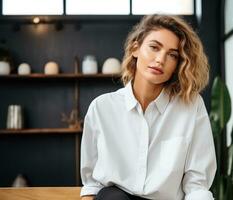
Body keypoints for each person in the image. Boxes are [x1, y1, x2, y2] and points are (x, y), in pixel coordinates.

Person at [80, 14, 216, 200]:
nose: (160, 59)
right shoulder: (101, 108)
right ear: (136, 48)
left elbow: (197, 185)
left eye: (172, 55)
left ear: (178, 64)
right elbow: (92, 186)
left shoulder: (191, 106)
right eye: (154, 47)